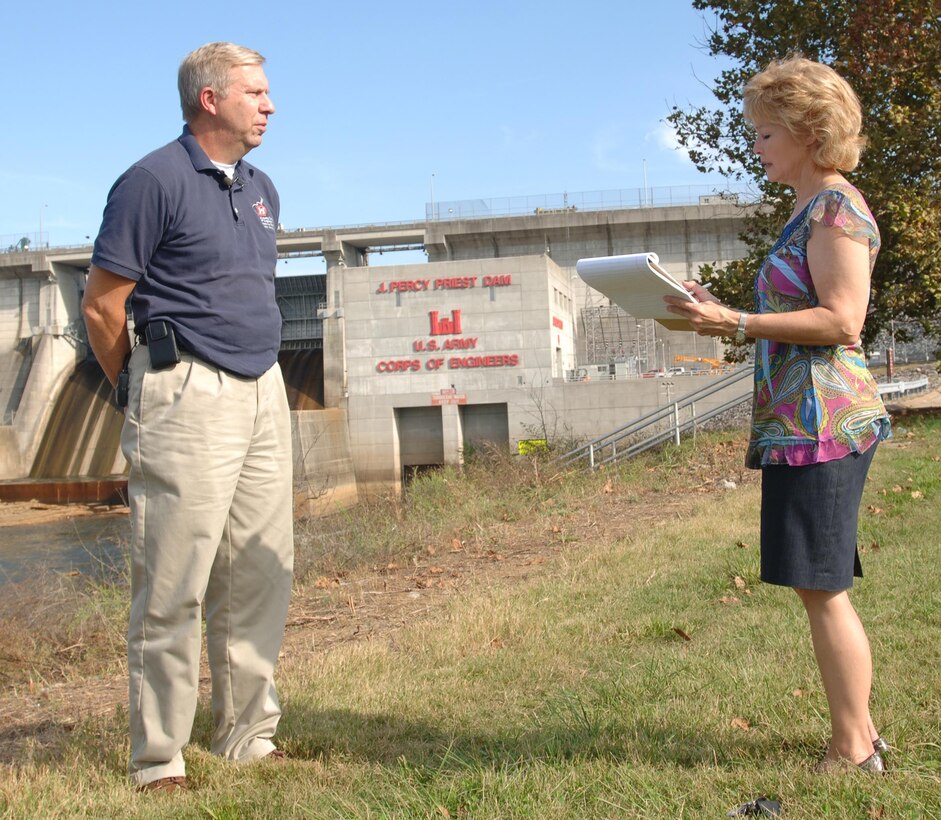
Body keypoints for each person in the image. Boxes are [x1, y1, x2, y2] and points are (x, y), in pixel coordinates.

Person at [665, 56, 892, 773]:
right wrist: (714, 311)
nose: (755, 146)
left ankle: (853, 747)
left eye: (764, 133)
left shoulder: (834, 207)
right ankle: (859, 730)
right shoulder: (806, 207)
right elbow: (790, 308)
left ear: (807, 130)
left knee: (822, 586)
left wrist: (734, 320)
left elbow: (842, 319)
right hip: (801, 422)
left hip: (825, 422)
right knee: (815, 581)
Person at [82, 42, 293, 792]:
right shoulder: (151, 181)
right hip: (185, 389)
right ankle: (158, 758)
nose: (269, 104)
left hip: (264, 391)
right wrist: (138, 391)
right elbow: (104, 303)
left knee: (259, 575)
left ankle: (248, 736)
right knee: (173, 581)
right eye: (256, 93)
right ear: (211, 100)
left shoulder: (264, 187)